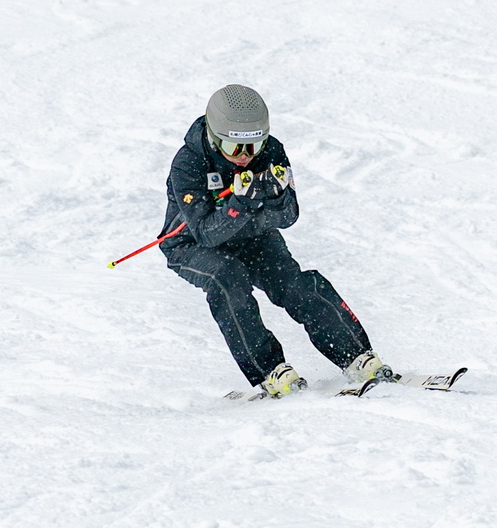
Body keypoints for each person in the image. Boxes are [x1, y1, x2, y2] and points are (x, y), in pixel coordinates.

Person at [159, 84, 391, 397]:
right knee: (228, 278)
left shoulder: (272, 151)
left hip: (252, 236)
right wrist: (240, 204)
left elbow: (289, 217)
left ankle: (356, 356)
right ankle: (270, 370)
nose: (245, 157)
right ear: (215, 139)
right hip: (192, 245)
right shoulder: (188, 163)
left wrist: (278, 198)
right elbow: (205, 233)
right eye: (234, 147)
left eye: (254, 146)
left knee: (295, 283)